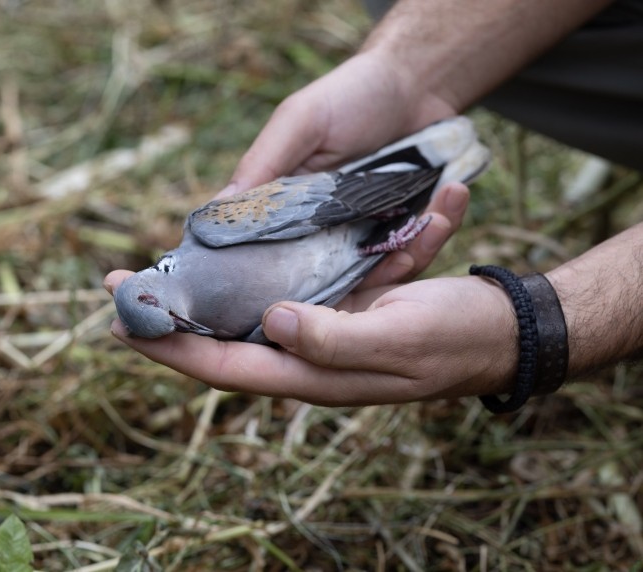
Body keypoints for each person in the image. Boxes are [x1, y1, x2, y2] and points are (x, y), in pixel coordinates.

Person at [104, 0, 643, 409]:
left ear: (156, 291)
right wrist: (404, 74)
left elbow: (327, 203)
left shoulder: (210, 230)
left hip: (345, 200)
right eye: (178, 326)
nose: (184, 323)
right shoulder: (205, 325)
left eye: (169, 315)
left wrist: (543, 327)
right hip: (359, 246)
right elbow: (323, 289)